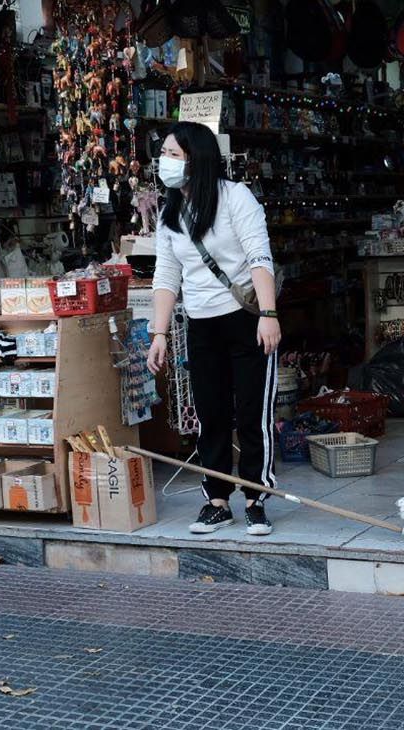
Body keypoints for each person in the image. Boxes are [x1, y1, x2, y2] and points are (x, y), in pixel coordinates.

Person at [146, 122, 282, 536]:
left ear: (196, 158)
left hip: (246, 319)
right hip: (201, 323)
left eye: (172, 154)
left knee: (252, 412)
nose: (163, 162)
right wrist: (159, 333)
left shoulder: (236, 198)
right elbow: (166, 276)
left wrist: (269, 314)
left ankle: (256, 498)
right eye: (163, 154)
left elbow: (260, 256)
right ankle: (217, 500)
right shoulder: (170, 213)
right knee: (211, 413)